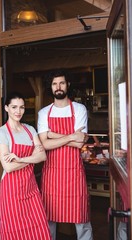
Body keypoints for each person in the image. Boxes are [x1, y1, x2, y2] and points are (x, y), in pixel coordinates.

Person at [37, 69, 93, 240]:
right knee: (48, 217)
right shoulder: (44, 112)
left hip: (73, 172)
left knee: (81, 218)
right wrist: (70, 136)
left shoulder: (79, 109)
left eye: (61, 83)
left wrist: (53, 134)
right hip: (52, 173)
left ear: (67, 85)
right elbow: (44, 144)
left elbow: (79, 143)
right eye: (55, 84)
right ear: (51, 87)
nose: (58, 87)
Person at [0, 92, 51, 240]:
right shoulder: (2, 133)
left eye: (21, 107)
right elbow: (8, 167)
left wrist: (20, 158)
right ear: (6, 108)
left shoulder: (30, 130)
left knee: (39, 230)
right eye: (14, 107)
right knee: (14, 233)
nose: (18, 111)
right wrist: (32, 158)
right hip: (11, 193)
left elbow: (43, 156)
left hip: (30, 189)